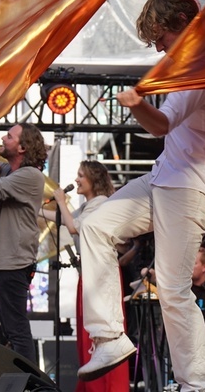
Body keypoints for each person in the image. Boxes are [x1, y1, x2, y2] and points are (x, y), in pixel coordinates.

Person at [76, 0, 205, 392]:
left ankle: (201, 385)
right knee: (96, 223)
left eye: (160, 39)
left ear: (180, 29)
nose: (158, 49)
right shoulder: (197, 36)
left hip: (192, 188)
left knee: (172, 288)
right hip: (164, 178)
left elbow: (162, 124)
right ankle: (109, 337)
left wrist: (136, 105)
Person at [43, 160, 131, 392]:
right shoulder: (88, 206)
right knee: (87, 336)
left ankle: (105, 387)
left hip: (101, 277)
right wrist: (35, 209)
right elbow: (64, 219)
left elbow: (73, 227)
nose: (76, 180)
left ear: (94, 179)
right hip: (90, 276)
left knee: (98, 335)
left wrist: (61, 200)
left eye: (81, 175)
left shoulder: (101, 203)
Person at [0, 123, 47, 362]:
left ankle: (33, 385)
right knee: (8, 330)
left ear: (23, 147)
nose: (3, 139)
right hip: (0, 262)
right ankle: (16, 379)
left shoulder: (29, 175)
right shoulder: (8, 170)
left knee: (17, 329)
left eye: (9, 136)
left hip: (13, 263)